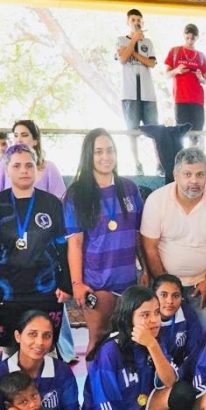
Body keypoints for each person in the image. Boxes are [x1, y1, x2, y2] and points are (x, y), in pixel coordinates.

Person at [83, 286, 197, 410]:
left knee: (183, 392)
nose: (154, 320)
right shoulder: (110, 351)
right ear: (128, 318)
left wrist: (152, 346)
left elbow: (171, 382)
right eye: (145, 314)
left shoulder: (153, 340)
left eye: (156, 312)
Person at [0, 144, 71, 352]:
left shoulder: (52, 203)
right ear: (6, 170)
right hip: (6, 292)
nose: (24, 170)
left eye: (29, 165)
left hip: (45, 291)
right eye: (16, 166)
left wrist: (66, 283)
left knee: (44, 349)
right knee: (10, 351)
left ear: (37, 168)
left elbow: (63, 246)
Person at [64, 129, 146, 357]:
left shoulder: (129, 188)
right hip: (97, 283)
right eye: (98, 151)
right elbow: (75, 244)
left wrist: (146, 269)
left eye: (110, 150)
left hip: (128, 281)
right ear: (88, 156)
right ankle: (94, 392)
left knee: (130, 339)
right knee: (98, 339)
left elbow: (138, 235)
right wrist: (77, 283)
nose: (105, 156)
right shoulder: (76, 194)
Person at [141, 147, 206, 328]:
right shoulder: (157, 200)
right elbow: (149, 248)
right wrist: (166, 287)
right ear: (175, 175)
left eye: (200, 175)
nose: (194, 181)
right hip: (163, 284)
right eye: (187, 174)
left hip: (202, 283)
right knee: (160, 333)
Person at [117, 8, 158, 175]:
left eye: (139, 20)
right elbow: (122, 58)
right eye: (133, 20)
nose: (136, 22)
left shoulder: (148, 43)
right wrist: (133, 40)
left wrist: (133, 50)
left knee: (155, 130)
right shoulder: (121, 40)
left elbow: (151, 63)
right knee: (132, 131)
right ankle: (137, 164)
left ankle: (159, 163)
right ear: (128, 22)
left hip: (148, 93)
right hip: (129, 93)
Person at [0, 120, 66, 200]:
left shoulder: (49, 167)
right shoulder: (5, 164)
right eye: (16, 135)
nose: (19, 140)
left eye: (24, 135)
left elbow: (60, 199)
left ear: (35, 141)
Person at [164, 23, 206, 139]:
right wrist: (177, 70)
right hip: (181, 99)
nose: (190, 41)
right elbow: (166, 75)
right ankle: (182, 156)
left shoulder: (201, 56)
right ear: (184, 36)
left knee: (196, 134)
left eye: (193, 38)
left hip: (197, 100)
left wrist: (200, 77)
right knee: (181, 133)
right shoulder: (175, 51)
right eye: (187, 38)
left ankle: (194, 154)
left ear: (197, 38)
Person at [152, 274, 202, 372]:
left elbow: (195, 349)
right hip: (156, 371)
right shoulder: (148, 320)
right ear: (153, 296)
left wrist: (183, 373)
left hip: (181, 370)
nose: (170, 301)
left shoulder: (186, 312)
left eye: (176, 296)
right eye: (163, 295)